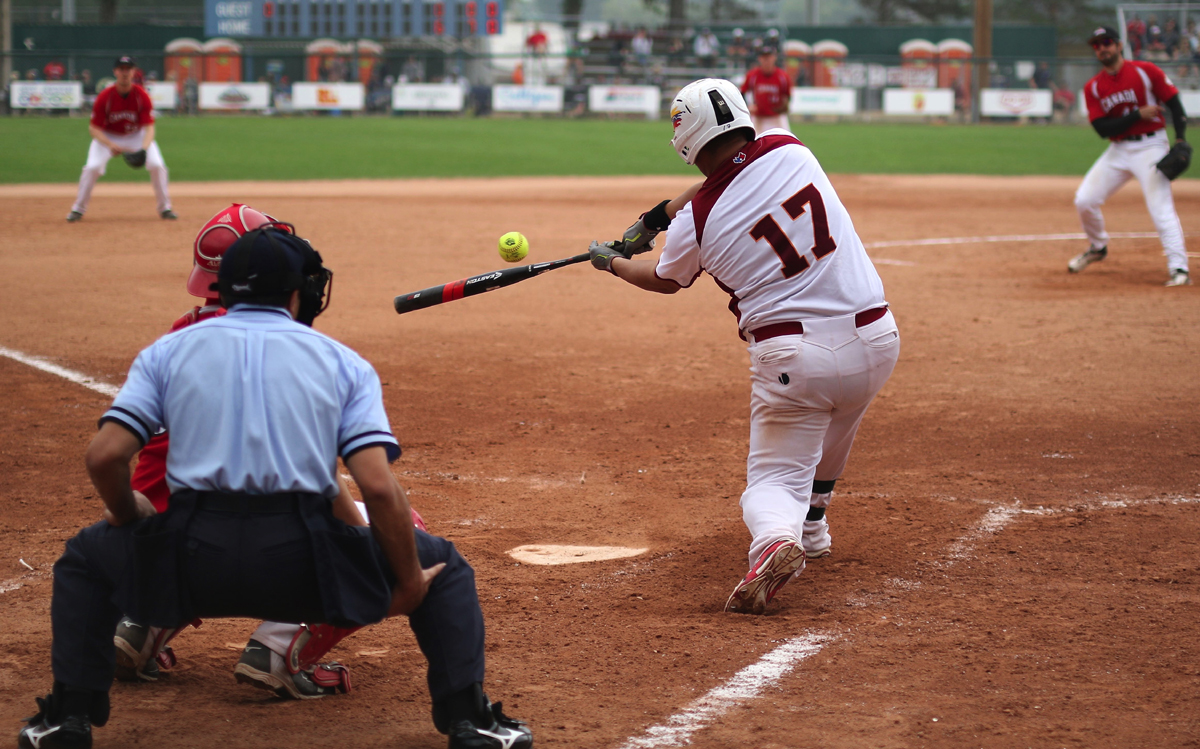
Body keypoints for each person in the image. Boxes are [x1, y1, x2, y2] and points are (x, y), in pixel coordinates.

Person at [16, 225, 534, 749]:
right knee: (445, 569)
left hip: (189, 565)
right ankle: (471, 722)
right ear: (299, 293)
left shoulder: (167, 352)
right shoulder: (340, 362)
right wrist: (408, 582)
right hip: (305, 567)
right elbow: (378, 489)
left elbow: (104, 456)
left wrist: (130, 515)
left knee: (85, 558)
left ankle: (67, 719)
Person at [586, 79, 899, 614]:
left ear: (685, 140)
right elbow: (729, 173)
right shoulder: (790, 147)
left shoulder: (695, 224)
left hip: (795, 360)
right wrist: (655, 218)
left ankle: (776, 540)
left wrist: (612, 262)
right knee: (838, 423)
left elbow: (664, 279)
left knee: (771, 481)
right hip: (876, 339)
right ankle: (813, 526)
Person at [109, 204, 428, 699]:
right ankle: (279, 648)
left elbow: (107, 454)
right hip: (247, 543)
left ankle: (143, 620)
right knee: (401, 530)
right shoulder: (285, 349)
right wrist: (366, 545)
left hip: (159, 541)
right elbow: (318, 474)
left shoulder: (177, 336)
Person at [1072, 26, 1190, 286]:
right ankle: (1098, 246)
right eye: (1096, 45)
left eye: (1106, 42)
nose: (1102, 48)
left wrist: (1180, 139)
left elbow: (1174, 104)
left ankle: (1179, 269)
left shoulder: (1146, 71)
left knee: (1160, 208)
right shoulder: (1094, 87)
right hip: (1118, 150)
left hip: (1151, 146)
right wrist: (1137, 115)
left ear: (1119, 45)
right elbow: (1102, 129)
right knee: (1084, 200)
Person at [67, 56, 174, 223]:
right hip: (108, 136)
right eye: (121, 69)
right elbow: (93, 128)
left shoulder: (141, 95)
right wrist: (110, 144)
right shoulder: (105, 96)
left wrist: (143, 149)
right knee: (92, 167)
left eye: (128, 69)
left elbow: (149, 127)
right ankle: (78, 209)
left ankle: (165, 208)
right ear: (115, 72)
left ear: (134, 72)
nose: (125, 72)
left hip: (136, 135)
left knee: (157, 165)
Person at [741, 45, 792, 133]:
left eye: (769, 57)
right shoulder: (753, 75)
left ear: (774, 58)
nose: (766, 60)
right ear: (759, 59)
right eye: (764, 57)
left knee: (785, 138)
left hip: (777, 116)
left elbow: (787, 95)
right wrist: (747, 107)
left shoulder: (782, 76)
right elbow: (742, 92)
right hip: (758, 116)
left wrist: (784, 105)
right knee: (754, 139)